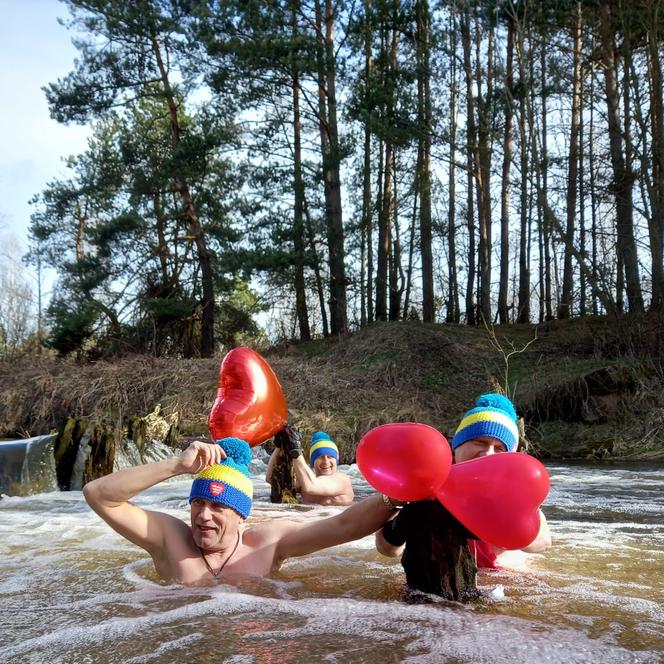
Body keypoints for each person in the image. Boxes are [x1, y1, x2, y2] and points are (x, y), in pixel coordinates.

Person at [83, 436, 392, 586]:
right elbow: (98, 495)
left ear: (241, 515)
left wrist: (397, 496)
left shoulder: (266, 543)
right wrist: (176, 466)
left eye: (218, 506)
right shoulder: (169, 539)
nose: (203, 515)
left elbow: (344, 525)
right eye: (198, 503)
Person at [375, 393, 551, 575]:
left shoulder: (514, 490)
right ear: (457, 446)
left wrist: (501, 524)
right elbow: (386, 549)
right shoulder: (428, 482)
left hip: (502, 577)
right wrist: (402, 525)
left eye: (499, 448)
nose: (488, 454)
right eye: (480, 442)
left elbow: (543, 542)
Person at [266, 430, 354, 506]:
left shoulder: (343, 480)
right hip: (309, 520)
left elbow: (311, 487)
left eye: (330, 457)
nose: (326, 461)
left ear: (336, 461)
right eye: (320, 457)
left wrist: (296, 451)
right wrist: (279, 447)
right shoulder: (305, 481)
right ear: (312, 462)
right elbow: (272, 479)